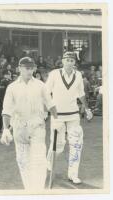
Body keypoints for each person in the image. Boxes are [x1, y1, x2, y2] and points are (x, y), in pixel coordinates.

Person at [0, 57, 57, 191]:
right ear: (20, 68)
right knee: (23, 161)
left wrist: (57, 120)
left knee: (39, 161)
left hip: (37, 127)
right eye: (27, 68)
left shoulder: (40, 85)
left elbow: (51, 104)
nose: (30, 71)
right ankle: (29, 190)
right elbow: (6, 110)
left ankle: (39, 190)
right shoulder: (12, 87)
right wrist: (6, 129)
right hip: (20, 128)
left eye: (32, 68)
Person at [46, 51, 93, 184]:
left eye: (72, 61)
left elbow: (81, 94)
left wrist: (87, 108)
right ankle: (49, 162)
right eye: (67, 60)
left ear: (75, 63)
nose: (70, 62)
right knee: (58, 145)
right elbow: (46, 92)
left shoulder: (78, 75)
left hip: (73, 115)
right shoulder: (54, 74)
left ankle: (73, 174)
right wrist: (49, 110)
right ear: (62, 61)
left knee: (76, 144)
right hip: (57, 115)